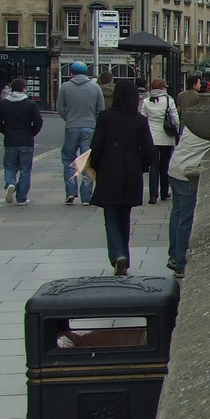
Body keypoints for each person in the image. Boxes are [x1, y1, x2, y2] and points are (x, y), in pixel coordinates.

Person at [88, 79, 156, 276]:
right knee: (124, 216)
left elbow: (97, 145)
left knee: (110, 216)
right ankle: (124, 255)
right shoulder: (140, 120)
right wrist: (140, 166)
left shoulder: (105, 117)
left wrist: (96, 166)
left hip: (109, 169)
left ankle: (118, 255)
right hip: (131, 171)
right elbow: (150, 151)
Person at [166, 121, 210, 277]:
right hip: (187, 173)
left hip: (175, 168)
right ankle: (181, 263)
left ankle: (173, 256)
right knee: (186, 219)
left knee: (177, 214)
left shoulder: (194, 124)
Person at [57, 62, 104, 205]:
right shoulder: (95, 87)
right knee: (87, 161)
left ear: (72, 73)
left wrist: (69, 118)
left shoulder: (65, 87)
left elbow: (60, 108)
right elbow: (100, 109)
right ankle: (86, 196)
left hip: (71, 126)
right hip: (90, 127)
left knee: (68, 159)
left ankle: (71, 192)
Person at [0, 78, 43, 205]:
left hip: (10, 140)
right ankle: (22, 198)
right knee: (25, 170)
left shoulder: (4, 104)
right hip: (26, 140)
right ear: (24, 89)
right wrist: (31, 132)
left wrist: (6, 130)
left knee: (10, 166)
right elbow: (38, 122)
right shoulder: (30, 104)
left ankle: (10, 183)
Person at [140, 78, 178, 204]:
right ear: (162, 88)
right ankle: (164, 192)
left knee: (153, 166)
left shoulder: (146, 101)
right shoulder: (169, 100)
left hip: (151, 138)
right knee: (165, 165)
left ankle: (153, 195)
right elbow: (175, 119)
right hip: (166, 138)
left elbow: (143, 119)